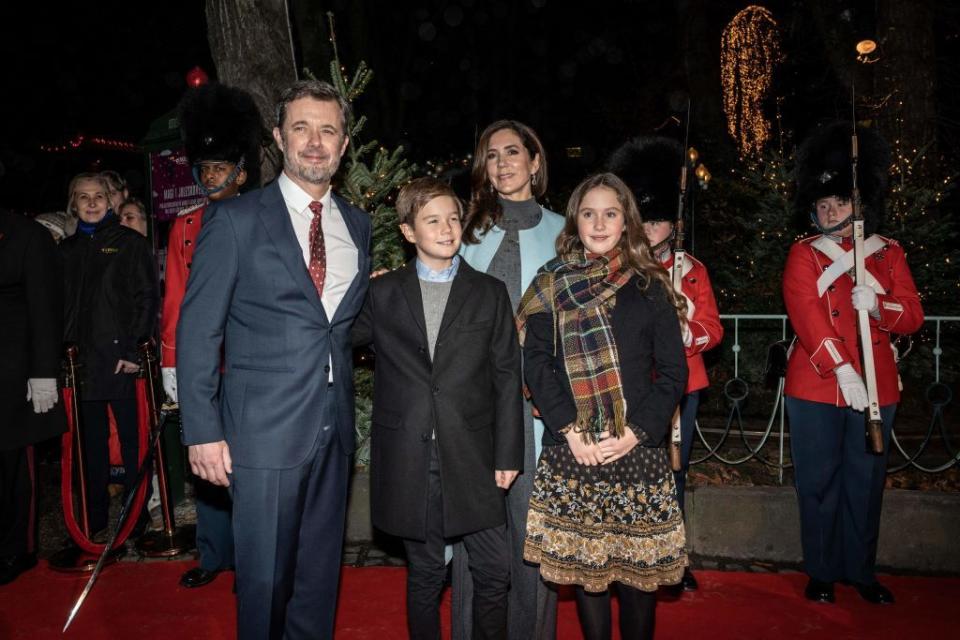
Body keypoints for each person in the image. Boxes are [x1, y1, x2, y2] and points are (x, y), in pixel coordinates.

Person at [177, 79, 370, 639]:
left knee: (316, 578)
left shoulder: (355, 225)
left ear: (343, 144)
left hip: (333, 431)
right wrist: (202, 430)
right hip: (259, 434)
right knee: (263, 581)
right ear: (280, 137)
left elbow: (339, 324)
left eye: (328, 130)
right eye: (303, 128)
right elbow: (198, 331)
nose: (315, 142)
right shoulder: (235, 221)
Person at [518, 173, 688, 640]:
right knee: (588, 576)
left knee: (637, 579)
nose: (598, 223)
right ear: (575, 220)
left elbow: (674, 373)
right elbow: (536, 364)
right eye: (588, 213)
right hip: (575, 450)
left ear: (625, 221)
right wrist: (572, 432)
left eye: (610, 213)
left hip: (636, 451)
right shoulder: (551, 283)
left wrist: (634, 432)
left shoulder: (650, 285)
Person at [353, 177, 522, 640]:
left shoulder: (489, 292)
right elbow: (337, 334)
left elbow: (507, 375)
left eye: (452, 218)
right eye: (432, 220)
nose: (447, 229)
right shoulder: (383, 294)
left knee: (494, 571)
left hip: (475, 454)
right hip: (411, 455)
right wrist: (353, 287)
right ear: (408, 231)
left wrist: (509, 454)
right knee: (426, 575)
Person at [784, 122, 923, 605]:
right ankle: (821, 570)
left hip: (878, 384)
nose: (828, 211)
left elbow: (913, 314)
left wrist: (880, 306)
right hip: (818, 386)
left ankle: (860, 571)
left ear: (858, 204)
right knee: (818, 482)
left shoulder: (888, 254)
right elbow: (805, 312)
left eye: (838, 203)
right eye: (822, 205)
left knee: (865, 485)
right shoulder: (804, 255)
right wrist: (842, 368)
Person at [456, 119, 565, 640]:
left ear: (535, 162)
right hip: (474, 403)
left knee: (531, 529)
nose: (502, 163)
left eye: (513, 152)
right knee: (476, 527)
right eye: (492, 155)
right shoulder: (467, 232)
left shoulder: (566, 231)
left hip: (536, 405)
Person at [607, 136, 723, 592]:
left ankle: (670, 557)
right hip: (631, 386)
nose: (652, 230)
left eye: (659, 222)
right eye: (645, 221)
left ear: (672, 226)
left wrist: (685, 333)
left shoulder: (691, 270)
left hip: (680, 386)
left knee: (672, 472)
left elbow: (713, 328)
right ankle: (620, 552)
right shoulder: (616, 267)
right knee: (625, 471)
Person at [161, 83, 262, 589]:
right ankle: (211, 552)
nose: (209, 176)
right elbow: (177, 301)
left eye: (219, 168)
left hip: (247, 365)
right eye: (203, 169)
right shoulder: (186, 227)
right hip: (204, 367)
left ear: (241, 171)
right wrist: (172, 363)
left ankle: (250, 556)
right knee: (206, 465)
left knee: (246, 465)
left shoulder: (262, 219)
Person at [60, 173, 158, 540]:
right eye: (82, 197)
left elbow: (147, 298)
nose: (90, 203)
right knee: (90, 448)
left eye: (98, 196)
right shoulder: (65, 251)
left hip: (121, 361)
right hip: (80, 365)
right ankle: (94, 519)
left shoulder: (130, 244)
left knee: (134, 443)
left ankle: (135, 518)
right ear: (73, 203)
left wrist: (134, 349)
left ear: (110, 201)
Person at [0, 209, 65, 584]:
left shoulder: (26, 235)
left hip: (13, 377)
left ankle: (17, 550)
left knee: (13, 467)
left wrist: (44, 373)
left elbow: (45, 307)